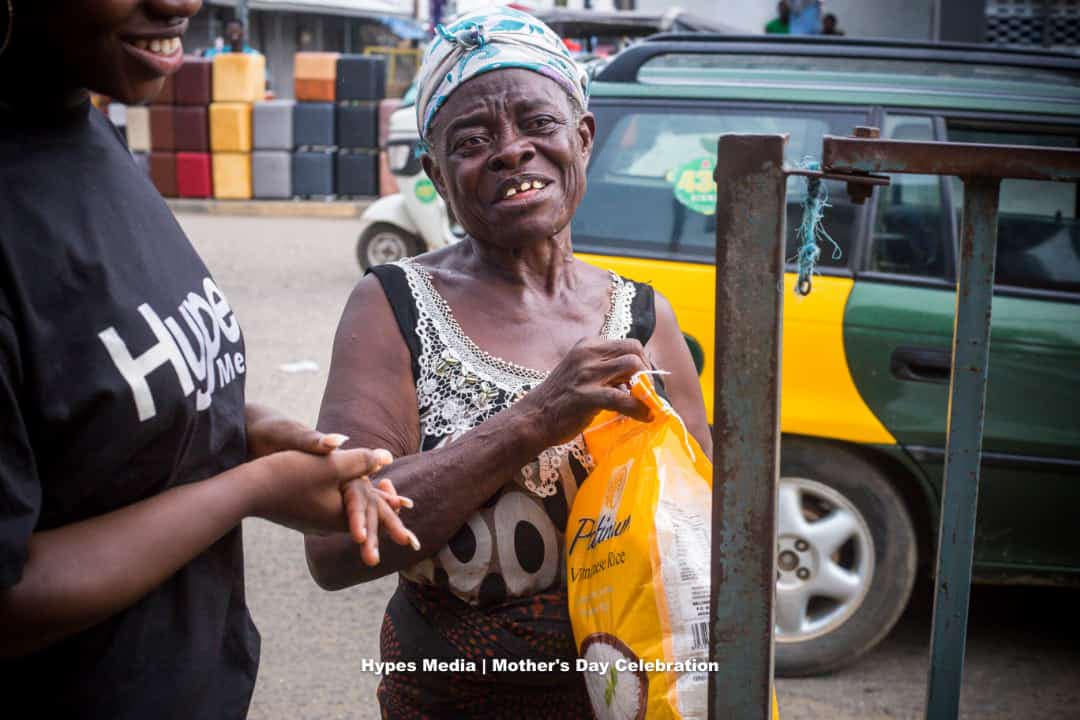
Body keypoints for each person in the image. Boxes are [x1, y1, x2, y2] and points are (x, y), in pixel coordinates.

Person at [0, 1, 413, 717]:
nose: (183, 3)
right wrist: (251, 489)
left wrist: (241, 428)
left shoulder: (84, 126)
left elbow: (88, 398)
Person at [305, 6, 711, 717]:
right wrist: (534, 421)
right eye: (472, 138)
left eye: (538, 123)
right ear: (436, 171)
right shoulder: (393, 305)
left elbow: (705, 531)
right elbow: (336, 544)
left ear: (583, 138)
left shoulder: (645, 317)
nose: (510, 149)